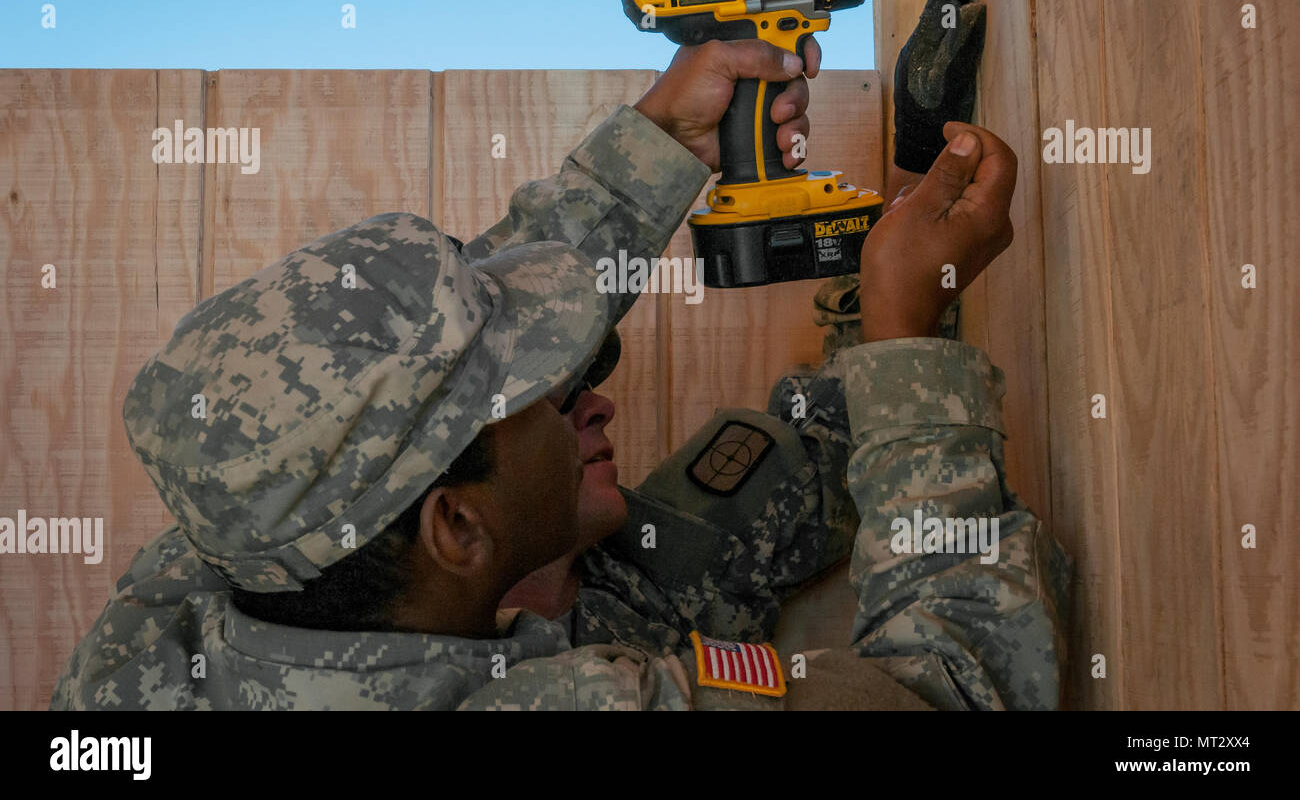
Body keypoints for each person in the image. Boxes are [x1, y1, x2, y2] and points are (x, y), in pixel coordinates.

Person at [51, 37, 1070, 711]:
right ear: (454, 525)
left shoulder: (209, 572)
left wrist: (656, 150)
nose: (588, 388)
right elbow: (965, 688)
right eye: (538, 387)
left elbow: (399, 368)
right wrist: (907, 348)